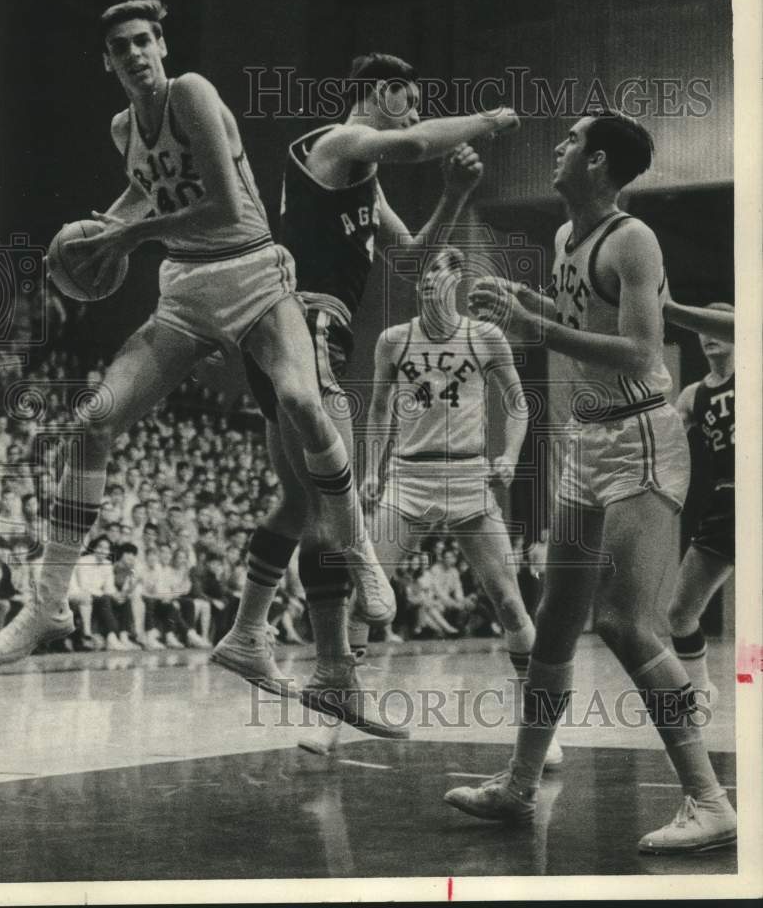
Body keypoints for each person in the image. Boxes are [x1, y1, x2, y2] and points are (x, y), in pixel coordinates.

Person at [0, 0, 392, 664]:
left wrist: (129, 236)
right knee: (92, 423)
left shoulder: (192, 94)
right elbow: (146, 192)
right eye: (120, 47)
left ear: (162, 46)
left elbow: (224, 204)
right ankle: (48, 604)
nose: (134, 53)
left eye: (143, 40)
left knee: (301, 401)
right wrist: (100, 232)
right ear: (108, 62)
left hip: (254, 274)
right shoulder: (124, 128)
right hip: (185, 292)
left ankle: (357, 545)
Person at [447, 111, 736, 854]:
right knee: (554, 621)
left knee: (624, 622)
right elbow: (583, 316)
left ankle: (709, 802)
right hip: (586, 442)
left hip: (640, 438)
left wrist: (532, 328)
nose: (558, 147)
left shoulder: (632, 238)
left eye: (571, 141)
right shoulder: (563, 238)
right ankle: (519, 783)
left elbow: (639, 351)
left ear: (600, 161)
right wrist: (524, 303)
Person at [214, 52, 519, 732]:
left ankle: (247, 634)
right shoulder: (337, 143)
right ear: (380, 93)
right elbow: (412, 144)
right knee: (334, 500)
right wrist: (487, 121)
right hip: (307, 327)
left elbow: (411, 260)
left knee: (301, 501)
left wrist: (454, 195)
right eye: (408, 100)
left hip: (289, 336)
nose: (414, 116)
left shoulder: (365, 180)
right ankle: (333, 672)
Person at [358, 246, 560, 765]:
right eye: (425, 275)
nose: (430, 282)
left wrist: (509, 455)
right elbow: (379, 409)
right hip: (408, 475)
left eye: (441, 276)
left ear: (457, 286)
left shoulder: (485, 336)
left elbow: (519, 404)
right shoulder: (394, 339)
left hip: (469, 476)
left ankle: (539, 725)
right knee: (366, 590)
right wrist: (371, 469)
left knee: (509, 600)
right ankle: (338, 712)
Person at [668, 305, 734, 703]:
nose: (708, 334)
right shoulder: (693, 394)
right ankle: (700, 691)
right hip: (726, 500)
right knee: (679, 613)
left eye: (717, 326)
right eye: (702, 329)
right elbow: (667, 442)